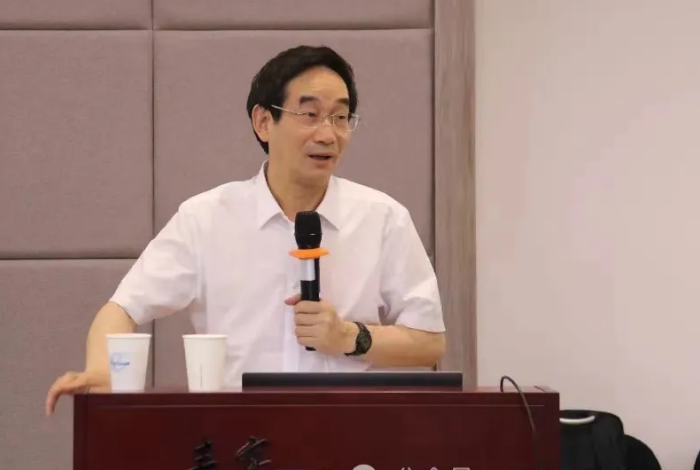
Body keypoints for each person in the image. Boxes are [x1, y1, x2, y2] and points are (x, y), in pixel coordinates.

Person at [45, 45, 445, 415]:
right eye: (310, 115)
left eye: (340, 118)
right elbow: (122, 309)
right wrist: (101, 372)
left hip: (349, 434)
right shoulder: (207, 218)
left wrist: (349, 337)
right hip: (241, 438)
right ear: (263, 122)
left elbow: (429, 342)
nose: (328, 134)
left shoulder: (383, 218)